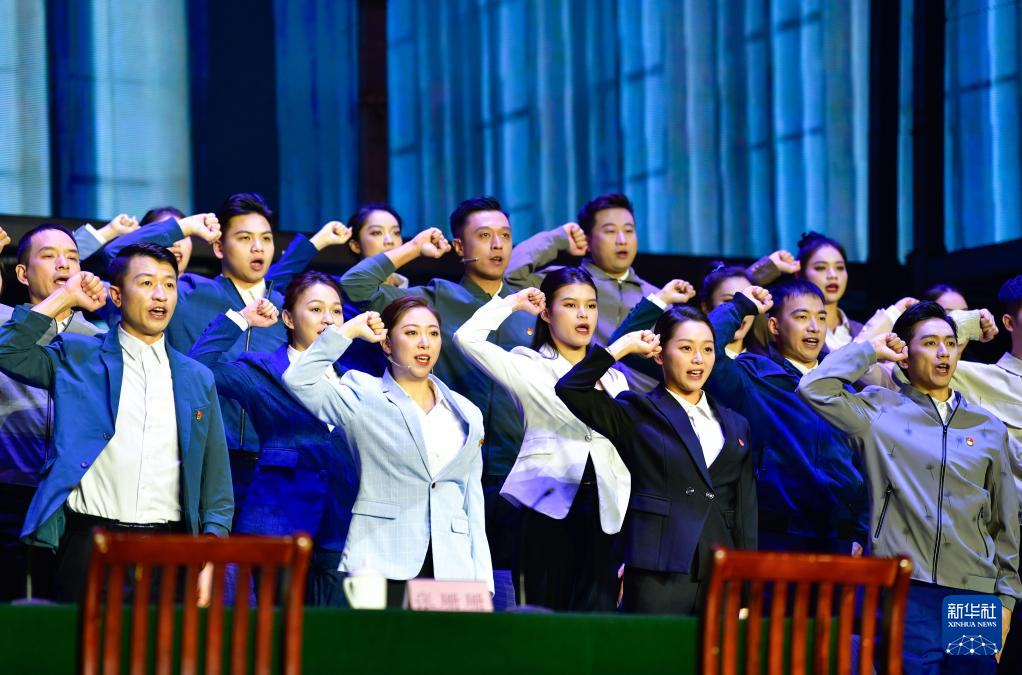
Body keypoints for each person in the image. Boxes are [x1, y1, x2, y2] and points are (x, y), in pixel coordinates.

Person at [0, 244, 233, 603]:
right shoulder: (79, 355)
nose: (160, 294)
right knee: (78, 640)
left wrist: (212, 552)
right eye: (147, 283)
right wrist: (65, 296)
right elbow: (8, 351)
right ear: (117, 295)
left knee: (160, 643)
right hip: (89, 544)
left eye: (169, 284)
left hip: (169, 550)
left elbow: (216, 482)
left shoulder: (196, 377)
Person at [799, 302, 1021, 674]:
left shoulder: (987, 427)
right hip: (906, 588)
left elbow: (1004, 523)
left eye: (950, 343)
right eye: (930, 343)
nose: (943, 352)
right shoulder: (878, 412)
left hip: (974, 592)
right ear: (905, 355)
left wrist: (1007, 601)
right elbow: (813, 387)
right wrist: (871, 350)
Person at [339, 195, 533, 603]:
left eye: (504, 235)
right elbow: (355, 285)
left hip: (520, 473)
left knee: (510, 593)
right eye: (484, 236)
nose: (497, 245)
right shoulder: (434, 301)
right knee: (433, 600)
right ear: (460, 247)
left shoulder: (527, 308)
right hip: (444, 471)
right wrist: (413, 248)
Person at [454, 267, 663, 610]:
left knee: (596, 622)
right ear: (547, 314)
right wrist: (512, 303)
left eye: (591, 305)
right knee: (544, 618)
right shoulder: (528, 364)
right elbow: (466, 339)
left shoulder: (614, 379)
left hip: (607, 511)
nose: (583, 314)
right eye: (570, 305)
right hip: (547, 506)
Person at [284, 296, 493, 604]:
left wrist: (483, 581)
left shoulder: (467, 411)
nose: (424, 342)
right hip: (379, 558)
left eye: (433, 333)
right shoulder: (362, 393)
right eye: (411, 333)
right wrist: (349, 331)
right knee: (378, 637)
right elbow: (298, 380)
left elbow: (472, 501)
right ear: (386, 344)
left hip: (453, 566)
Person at [555, 307, 757, 615]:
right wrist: (622, 347)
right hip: (657, 569)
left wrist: (747, 590)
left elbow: (745, 511)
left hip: (720, 569)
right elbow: (571, 388)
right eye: (686, 348)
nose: (698, 359)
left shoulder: (735, 424)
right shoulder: (637, 412)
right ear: (660, 355)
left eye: (707, 349)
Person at [188, 271, 360, 605]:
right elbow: (196, 368)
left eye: (336, 311)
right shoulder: (261, 369)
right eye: (316, 309)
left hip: (341, 524)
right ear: (288, 318)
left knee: (333, 627)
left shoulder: (353, 378)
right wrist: (241, 320)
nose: (328, 319)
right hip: (278, 517)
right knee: (277, 624)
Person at [0, 223, 104, 600]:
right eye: (49, 256)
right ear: (22, 273)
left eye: (73, 258)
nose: (64, 264)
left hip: (73, 498)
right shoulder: (5, 324)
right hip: (9, 488)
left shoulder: (98, 340)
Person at [505, 192, 660, 391]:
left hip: (640, 405)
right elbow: (510, 274)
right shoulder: (563, 283)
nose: (622, 240)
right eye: (610, 231)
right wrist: (558, 238)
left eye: (629, 230)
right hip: (575, 395)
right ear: (588, 239)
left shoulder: (657, 297)